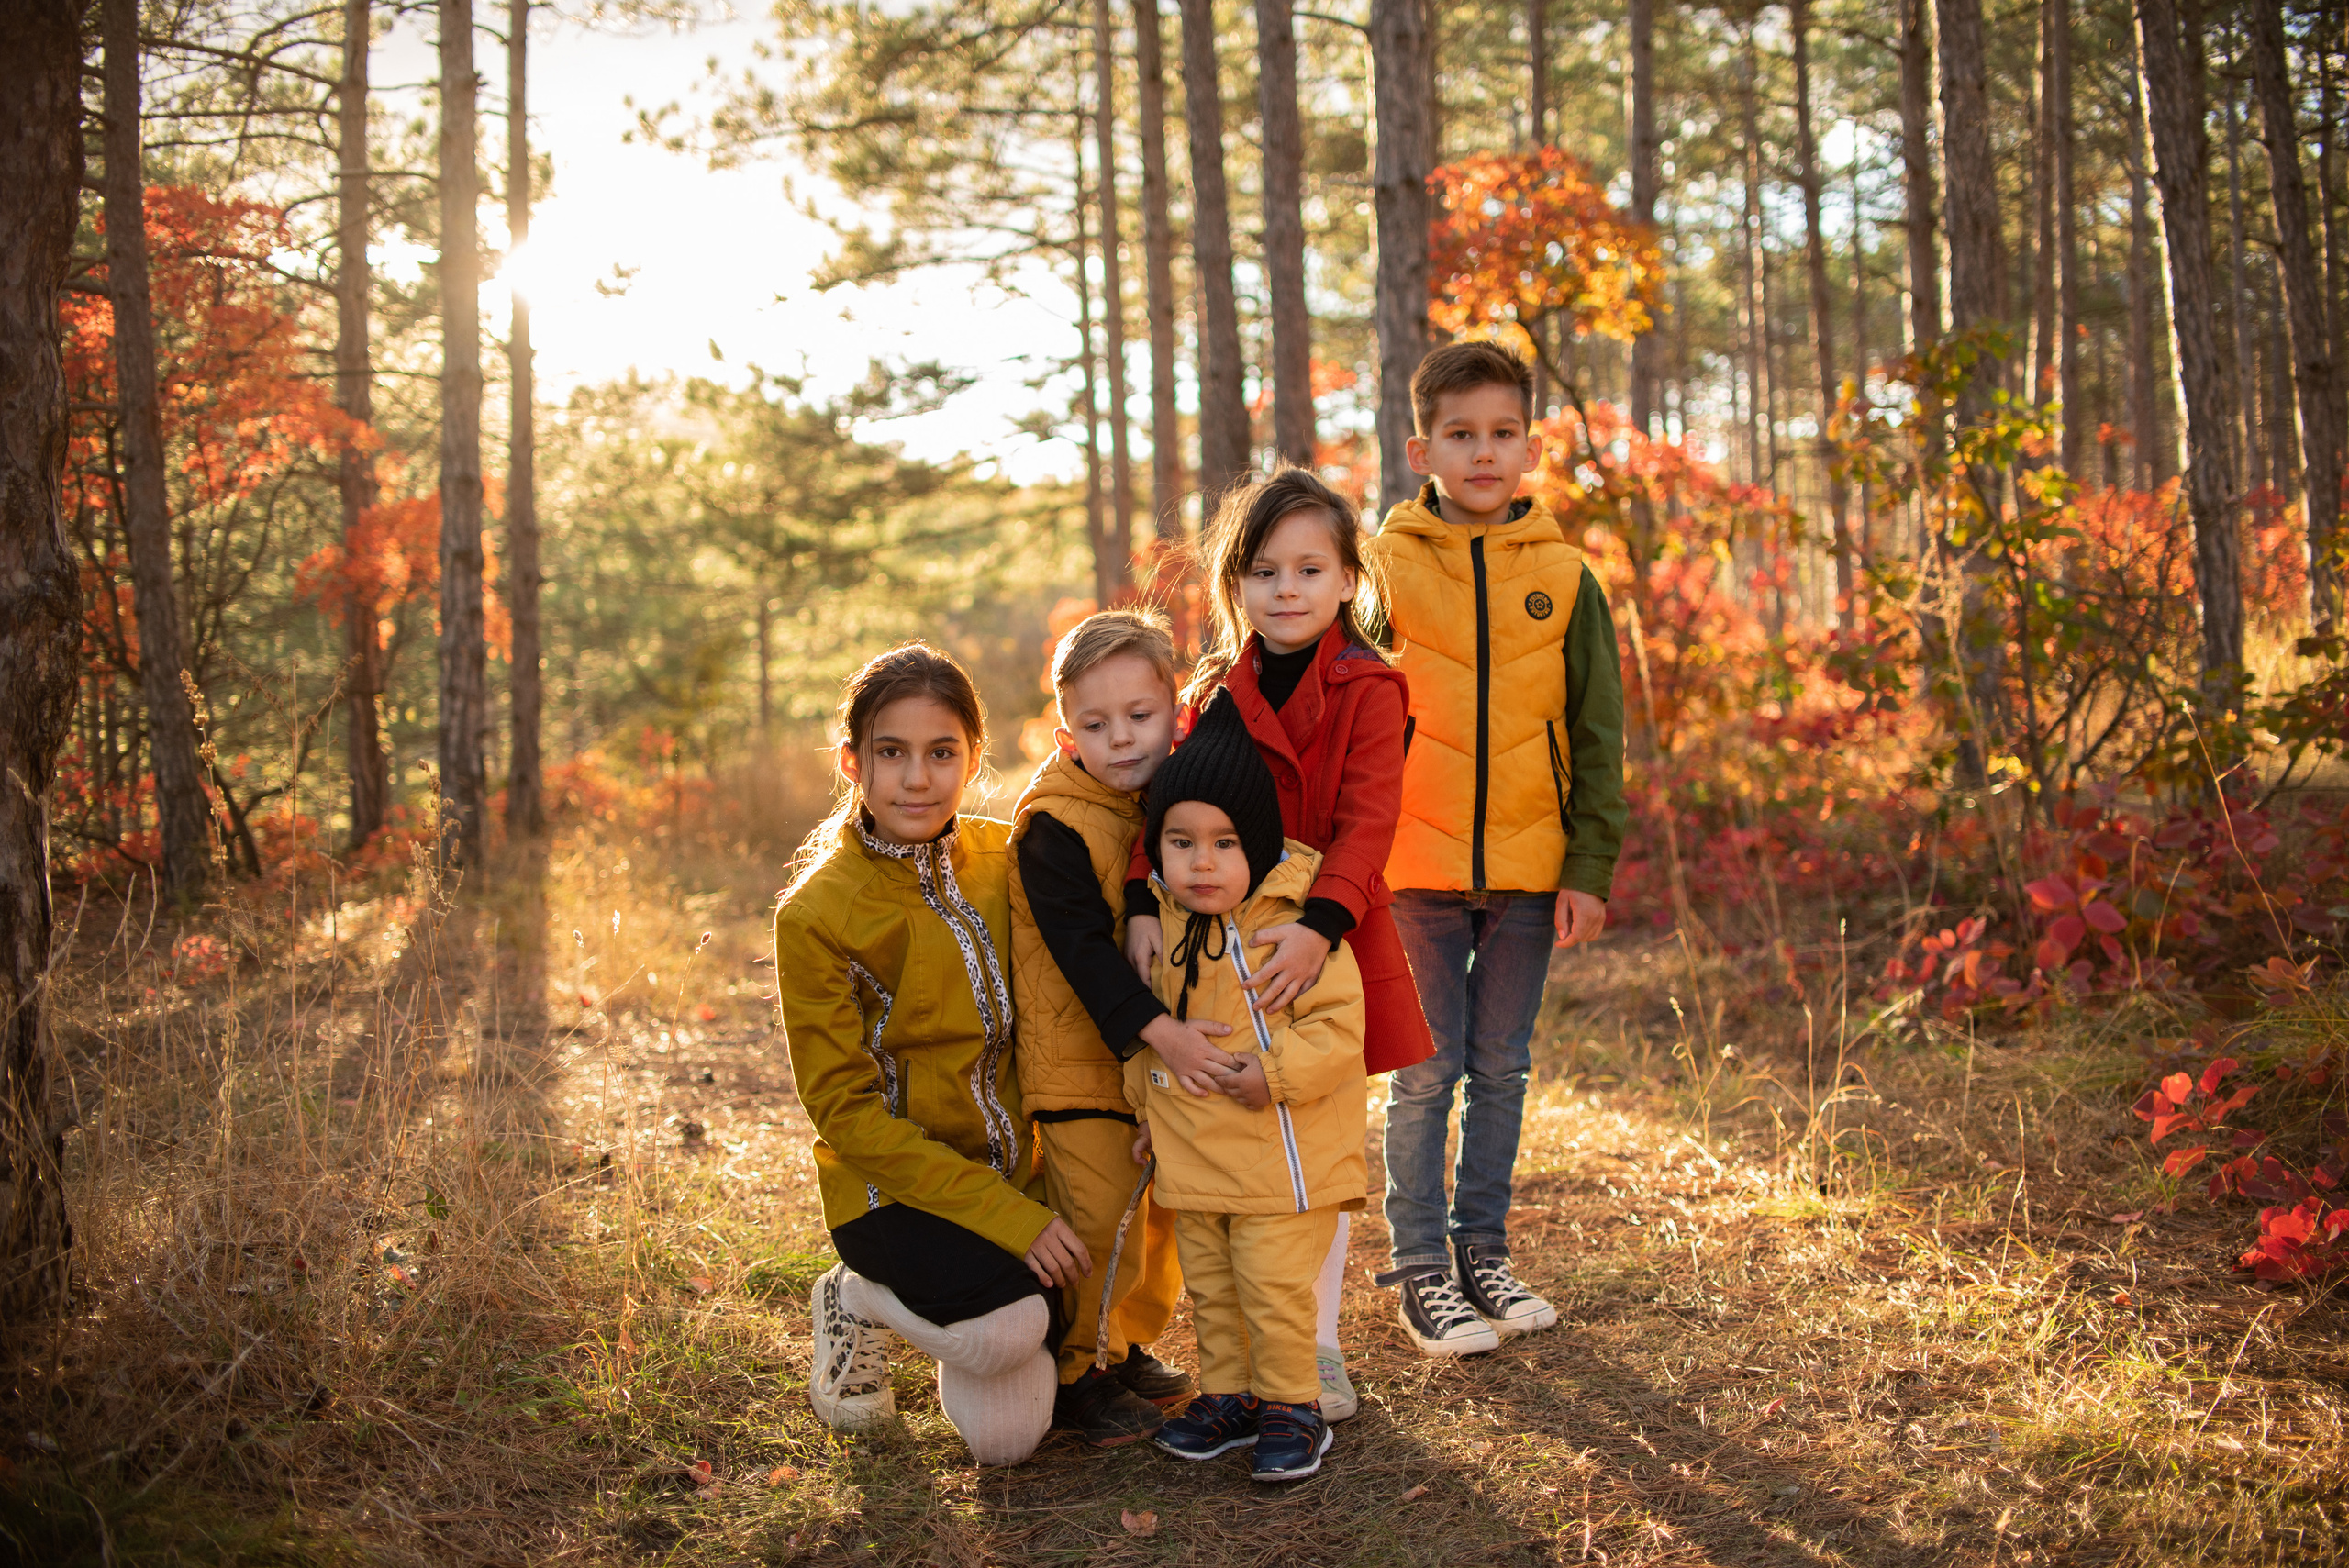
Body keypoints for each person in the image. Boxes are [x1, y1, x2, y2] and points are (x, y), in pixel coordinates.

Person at [1123, 468, 1433, 1421]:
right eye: (1264, 570)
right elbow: (1166, 802)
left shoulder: (1371, 685)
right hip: (1215, 941)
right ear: (1235, 585)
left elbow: (1369, 817)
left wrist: (1318, 924)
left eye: (1309, 568)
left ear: (1348, 579)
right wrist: (1141, 892)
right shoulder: (1218, 685)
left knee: (1314, 1143)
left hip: (1318, 934)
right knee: (1226, 1137)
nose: (1286, 588)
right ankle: (1237, 1355)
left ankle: (1319, 1345)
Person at [1361, 340, 1627, 1358]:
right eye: (1461, 435)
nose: (1483, 453)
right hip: (1412, 873)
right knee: (1425, 1073)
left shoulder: (1566, 576)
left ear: (1529, 446)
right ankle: (1421, 1265)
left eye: (1502, 433)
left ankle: (1485, 1249)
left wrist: (1587, 866)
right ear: (1422, 445)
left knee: (1502, 1068)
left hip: (1528, 870)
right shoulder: (1379, 569)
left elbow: (1599, 734)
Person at [774, 641, 1086, 1467]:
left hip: (1016, 1164)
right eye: (892, 752)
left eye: (941, 752)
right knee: (1017, 1322)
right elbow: (846, 1115)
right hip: (891, 1193)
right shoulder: (816, 915)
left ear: (974, 758)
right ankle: (857, 1297)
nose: (918, 778)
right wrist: (1009, 1221)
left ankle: (989, 1320)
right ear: (853, 762)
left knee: (1008, 1444)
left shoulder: (1004, 857)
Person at [1007, 609, 1242, 1446]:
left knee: (1157, 1214)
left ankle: (1129, 1341)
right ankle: (1079, 1369)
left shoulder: (1166, 801)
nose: (1121, 740)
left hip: (1148, 1060)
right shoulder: (1054, 825)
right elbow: (1083, 956)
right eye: (1096, 726)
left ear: (1175, 710)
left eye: (1140, 718)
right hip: (1080, 1060)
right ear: (1068, 734)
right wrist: (1161, 1035)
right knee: (1098, 1215)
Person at [1126, 693, 1367, 1482]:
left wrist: (1272, 1073)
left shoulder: (1289, 931)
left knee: (1270, 1286)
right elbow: (1144, 1035)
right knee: (1215, 1289)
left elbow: (1338, 1031)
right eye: (1182, 840)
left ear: (1256, 849)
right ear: (1156, 847)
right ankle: (1228, 1394)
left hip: (1279, 1164)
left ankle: (1293, 1403)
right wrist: (1145, 1115)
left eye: (1225, 843)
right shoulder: (1159, 931)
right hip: (1195, 1162)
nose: (1202, 861)